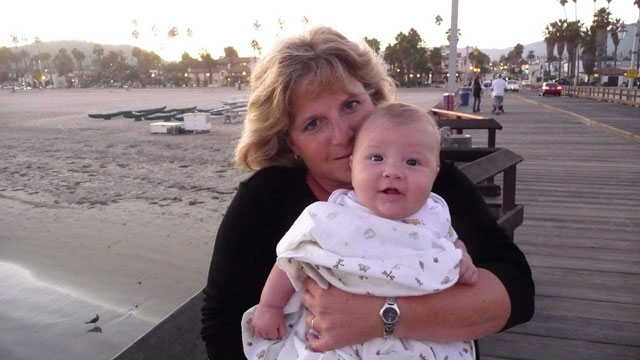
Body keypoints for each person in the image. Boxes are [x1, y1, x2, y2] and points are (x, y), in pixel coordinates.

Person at [200, 26, 534, 359]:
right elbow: (221, 329)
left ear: (374, 100)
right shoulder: (267, 200)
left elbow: (516, 292)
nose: (342, 135)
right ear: (291, 142)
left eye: (350, 105)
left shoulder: (429, 182)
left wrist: (379, 318)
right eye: (313, 124)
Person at [243, 102, 478, 359]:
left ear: (434, 174)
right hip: (341, 346)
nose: (393, 172)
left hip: (419, 339)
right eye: (376, 158)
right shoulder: (332, 215)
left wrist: (462, 256)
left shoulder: (434, 212)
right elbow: (293, 260)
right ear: (353, 166)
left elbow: (451, 239)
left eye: (412, 162)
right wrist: (270, 306)